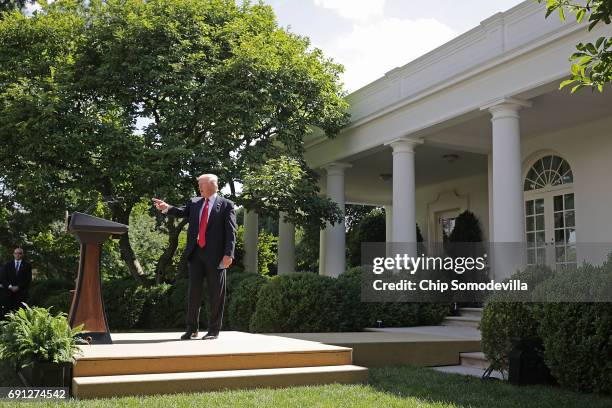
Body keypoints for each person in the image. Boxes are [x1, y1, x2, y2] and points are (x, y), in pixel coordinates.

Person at [152, 174, 237, 340]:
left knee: (215, 294)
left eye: (201, 185)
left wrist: (229, 254)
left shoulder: (227, 205)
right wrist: (166, 207)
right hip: (195, 254)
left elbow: (231, 232)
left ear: (212, 185)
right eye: (199, 185)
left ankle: (213, 331)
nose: (199, 188)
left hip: (217, 257)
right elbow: (182, 212)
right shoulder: (195, 202)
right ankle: (192, 329)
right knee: (194, 293)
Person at [1, 248, 33, 313]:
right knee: (8, 312)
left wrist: (18, 287)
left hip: (21, 293)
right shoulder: (7, 265)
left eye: (20, 253)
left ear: (22, 254)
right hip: (8, 293)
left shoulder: (27, 265)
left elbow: (28, 279)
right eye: (16, 253)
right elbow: (3, 278)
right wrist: (10, 287)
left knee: (20, 312)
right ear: (13, 254)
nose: (17, 255)